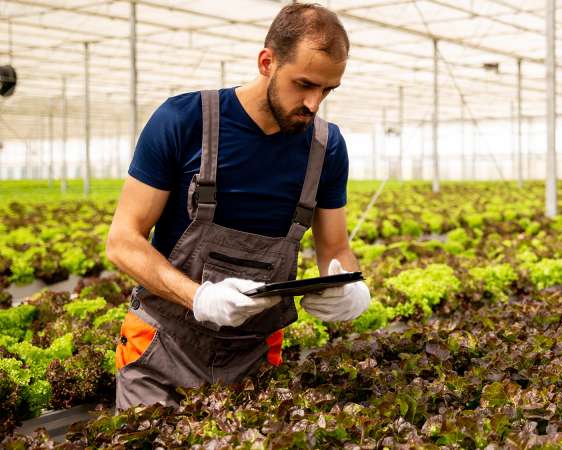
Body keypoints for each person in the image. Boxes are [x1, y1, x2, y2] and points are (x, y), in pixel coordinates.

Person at [105, 3, 370, 410]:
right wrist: (198, 297)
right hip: (162, 349)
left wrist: (348, 287)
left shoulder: (327, 148)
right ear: (267, 62)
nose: (314, 103)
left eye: (327, 90)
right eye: (304, 84)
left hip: (255, 361)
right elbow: (123, 240)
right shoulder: (183, 121)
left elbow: (334, 249)